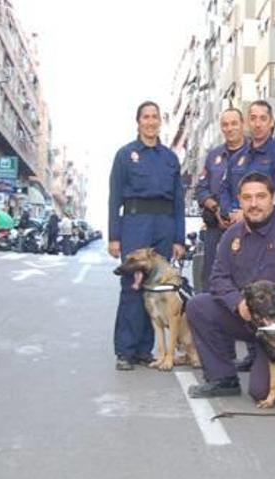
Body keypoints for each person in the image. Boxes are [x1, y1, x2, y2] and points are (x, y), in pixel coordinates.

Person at [185, 172, 275, 400]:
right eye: (247, 198)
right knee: (198, 306)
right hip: (249, 317)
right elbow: (218, 279)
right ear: (239, 201)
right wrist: (237, 303)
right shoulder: (232, 235)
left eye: (260, 196)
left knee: (262, 393)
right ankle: (222, 378)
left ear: (274, 198)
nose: (254, 204)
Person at [108, 100, 186, 371]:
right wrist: (114, 236)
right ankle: (125, 351)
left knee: (158, 288)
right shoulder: (125, 154)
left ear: (160, 121)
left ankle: (144, 349)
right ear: (138, 121)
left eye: (155, 117)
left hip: (164, 225)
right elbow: (114, 197)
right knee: (133, 286)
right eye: (146, 117)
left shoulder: (170, 158)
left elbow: (179, 201)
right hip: (135, 223)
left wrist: (179, 238)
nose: (150, 122)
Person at [195, 108, 248, 292]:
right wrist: (216, 209)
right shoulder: (213, 156)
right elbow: (201, 189)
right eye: (225, 124)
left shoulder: (253, 154)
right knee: (212, 278)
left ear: (243, 124)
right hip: (216, 228)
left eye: (234, 123)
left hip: (245, 228)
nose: (229, 128)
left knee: (241, 279)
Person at [219, 101, 275, 218]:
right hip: (237, 226)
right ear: (247, 122)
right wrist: (230, 213)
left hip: (268, 228)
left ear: (271, 123)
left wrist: (246, 215)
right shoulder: (237, 158)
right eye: (253, 118)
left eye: (263, 119)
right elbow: (224, 189)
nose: (257, 124)